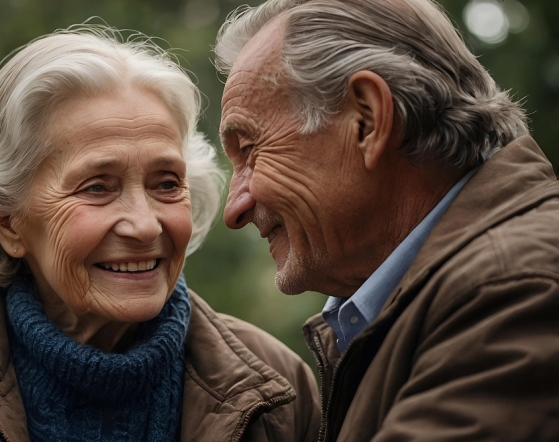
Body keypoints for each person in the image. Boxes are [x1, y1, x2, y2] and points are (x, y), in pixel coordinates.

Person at [0, 26, 320, 441]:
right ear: (7, 220)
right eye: (97, 187)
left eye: (167, 184)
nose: (144, 225)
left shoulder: (280, 388)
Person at [214, 0, 559, 441]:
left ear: (367, 120)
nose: (234, 209)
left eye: (249, 149)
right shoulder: (460, 289)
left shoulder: (515, 287)